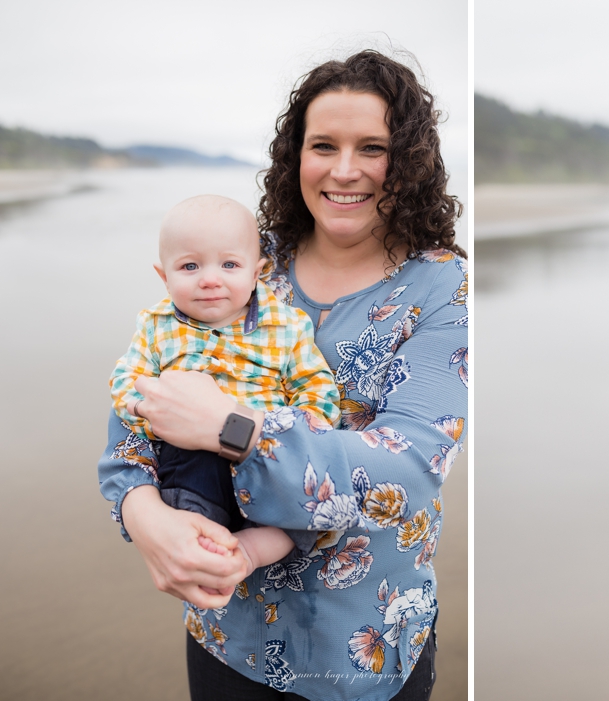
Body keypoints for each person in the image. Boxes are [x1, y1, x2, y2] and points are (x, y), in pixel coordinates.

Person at [97, 50, 467, 701]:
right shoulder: (241, 261)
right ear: (296, 156)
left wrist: (233, 427)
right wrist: (145, 515)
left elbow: (411, 467)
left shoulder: (441, 286)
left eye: (372, 147)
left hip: (363, 646)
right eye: (323, 145)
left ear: (409, 160)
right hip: (228, 630)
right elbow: (143, 408)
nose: (344, 170)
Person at [109, 195, 337, 578]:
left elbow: (317, 389)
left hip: (267, 451)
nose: (210, 279)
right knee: (186, 487)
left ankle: (251, 550)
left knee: (299, 507)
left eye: (229, 265)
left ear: (256, 273)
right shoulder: (155, 326)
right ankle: (206, 543)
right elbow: (126, 381)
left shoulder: (287, 326)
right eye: (190, 266)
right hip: (192, 453)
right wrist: (153, 415)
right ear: (164, 276)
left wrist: (290, 433)